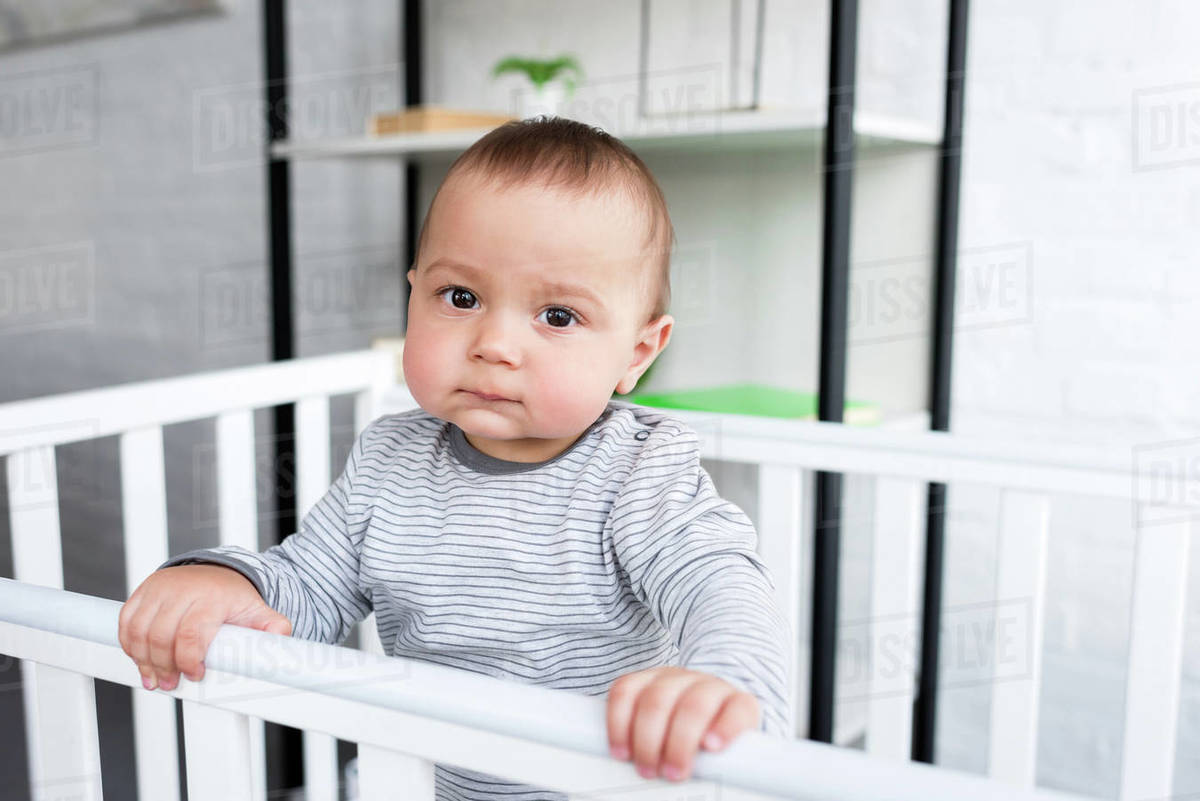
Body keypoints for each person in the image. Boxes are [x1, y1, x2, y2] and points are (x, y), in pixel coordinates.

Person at [119, 117, 792, 800]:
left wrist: (722, 682)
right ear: (414, 295)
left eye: (557, 315)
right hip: (414, 783)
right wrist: (228, 584)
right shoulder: (389, 460)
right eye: (460, 297)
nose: (494, 342)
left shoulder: (638, 471)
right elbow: (308, 589)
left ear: (638, 354)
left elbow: (722, 588)